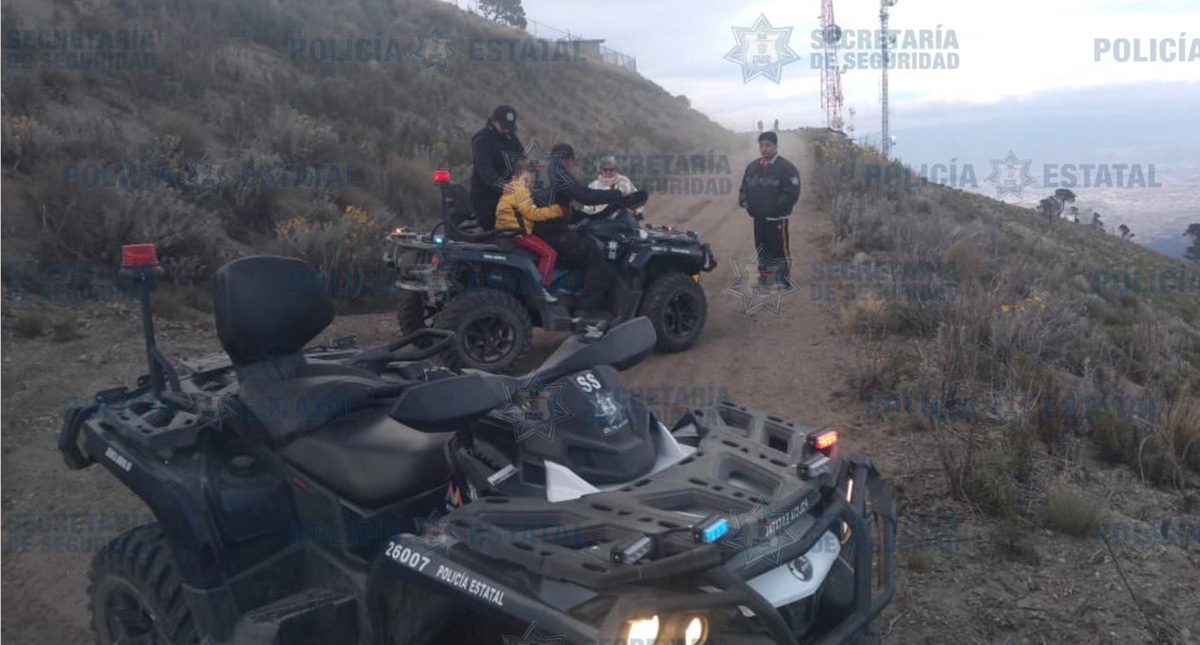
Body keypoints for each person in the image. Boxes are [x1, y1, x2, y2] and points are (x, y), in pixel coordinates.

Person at [532, 143, 633, 319]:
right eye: (571, 162)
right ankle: (587, 309)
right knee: (598, 259)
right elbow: (584, 195)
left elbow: (557, 207)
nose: (570, 166)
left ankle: (570, 294)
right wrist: (617, 195)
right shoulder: (557, 173)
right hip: (553, 234)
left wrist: (590, 214)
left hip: (539, 230)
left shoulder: (540, 173)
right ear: (568, 160)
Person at [738, 131, 800, 288]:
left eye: (768, 145)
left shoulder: (786, 167)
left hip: (777, 218)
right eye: (761, 145)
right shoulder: (752, 167)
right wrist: (746, 203)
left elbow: (791, 192)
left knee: (779, 248)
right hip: (758, 218)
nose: (764, 149)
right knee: (762, 248)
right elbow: (744, 187)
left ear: (776, 146)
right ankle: (765, 279)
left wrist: (773, 208)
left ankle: (782, 280)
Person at [495, 164, 566, 301]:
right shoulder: (520, 191)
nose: (529, 184)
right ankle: (542, 289)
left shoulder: (509, 190)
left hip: (507, 231)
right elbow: (532, 214)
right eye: (526, 180)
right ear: (516, 178)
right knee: (550, 254)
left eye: (531, 182)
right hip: (519, 233)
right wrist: (557, 210)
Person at [469, 105, 524, 231]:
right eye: (503, 127)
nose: (506, 131)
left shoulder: (511, 138)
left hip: (508, 194)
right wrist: (501, 185)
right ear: (494, 122)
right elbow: (484, 168)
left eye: (509, 128)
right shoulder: (482, 139)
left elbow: (522, 158)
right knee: (493, 230)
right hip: (485, 195)